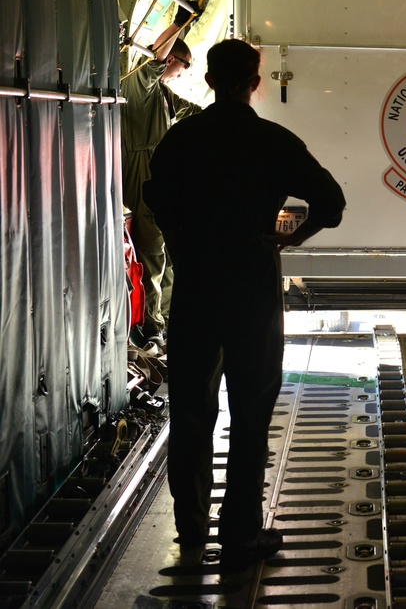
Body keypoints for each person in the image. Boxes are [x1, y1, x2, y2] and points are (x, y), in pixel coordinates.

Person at [143, 38, 346, 571]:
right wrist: (286, 241)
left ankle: (189, 530)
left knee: (189, 410)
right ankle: (240, 534)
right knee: (251, 413)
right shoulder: (272, 140)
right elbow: (332, 202)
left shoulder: (183, 138)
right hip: (253, 285)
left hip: (197, 285)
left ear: (208, 80)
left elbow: (154, 196)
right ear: (254, 82)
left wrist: (181, 239)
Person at [121, 7, 202, 350]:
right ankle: (151, 325)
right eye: (184, 67)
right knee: (152, 253)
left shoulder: (165, 98)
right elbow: (155, 58)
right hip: (141, 173)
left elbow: (196, 115)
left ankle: (167, 320)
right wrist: (180, 22)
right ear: (173, 60)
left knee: (165, 256)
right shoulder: (139, 85)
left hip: (160, 177)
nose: (184, 75)